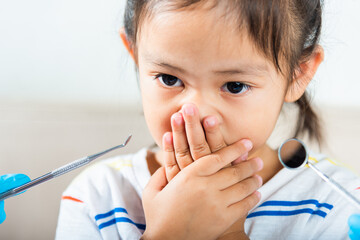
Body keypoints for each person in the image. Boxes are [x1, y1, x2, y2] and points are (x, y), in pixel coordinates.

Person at [55, 0, 360, 239]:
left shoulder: (339, 205)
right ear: (135, 56)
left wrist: (229, 234)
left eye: (234, 86)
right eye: (169, 78)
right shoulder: (96, 198)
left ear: (298, 74)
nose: (195, 112)